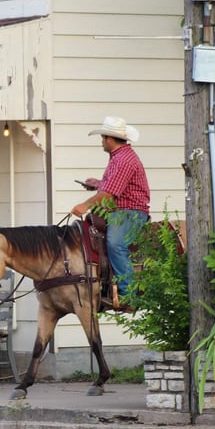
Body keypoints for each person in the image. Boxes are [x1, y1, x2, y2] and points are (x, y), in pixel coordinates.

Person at [71, 116, 150, 301]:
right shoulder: (119, 157)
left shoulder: (123, 160)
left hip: (130, 211)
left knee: (116, 243)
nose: (102, 142)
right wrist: (98, 184)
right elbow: (115, 186)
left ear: (110, 139)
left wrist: (85, 205)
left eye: (103, 138)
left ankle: (129, 293)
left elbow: (109, 195)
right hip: (121, 209)